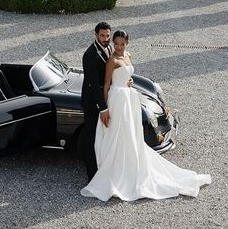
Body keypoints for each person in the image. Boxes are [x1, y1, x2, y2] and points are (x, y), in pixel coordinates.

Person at [81, 30, 211, 201]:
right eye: (116, 43)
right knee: (116, 134)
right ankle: (114, 168)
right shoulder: (111, 59)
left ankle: (131, 163)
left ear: (127, 43)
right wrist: (105, 108)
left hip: (128, 98)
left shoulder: (127, 55)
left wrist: (128, 80)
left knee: (130, 133)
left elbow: (122, 74)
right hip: (117, 100)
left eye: (122, 43)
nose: (119, 47)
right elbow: (106, 85)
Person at [79, 22, 133, 181]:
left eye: (107, 36)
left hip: (109, 98)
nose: (105, 38)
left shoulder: (110, 48)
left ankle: (108, 167)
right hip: (92, 102)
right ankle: (92, 175)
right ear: (95, 35)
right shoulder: (89, 54)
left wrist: (126, 81)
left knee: (105, 136)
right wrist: (103, 108)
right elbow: (94, 84)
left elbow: (116, 71)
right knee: (90, 137)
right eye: (102, 35)